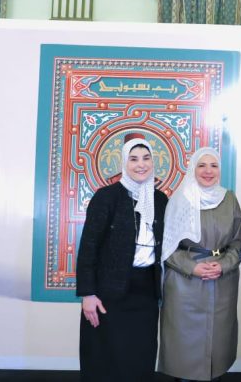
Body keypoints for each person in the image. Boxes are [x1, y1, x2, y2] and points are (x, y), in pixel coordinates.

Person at [76, 133, 168, 382]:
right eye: (134, 159)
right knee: (106, 361)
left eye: (146, 158)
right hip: (109, 293)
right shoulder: (107, 197)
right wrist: (88, 294)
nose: (141, 164)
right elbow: (89, 247)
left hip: (146, 293)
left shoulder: (160, 200)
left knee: (140, 359)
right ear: (124, 163)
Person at [159, 147, 241, 382]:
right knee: (185, 353)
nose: (208, 171)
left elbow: (238, 242)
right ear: (192, 169)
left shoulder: (229, 199)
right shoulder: (180, 199)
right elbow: (166, 246)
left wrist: (224, 265)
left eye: (214, 165)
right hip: (184, 284)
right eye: (202, 165)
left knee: (218, 351)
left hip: (222, 283)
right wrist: (192, 267)